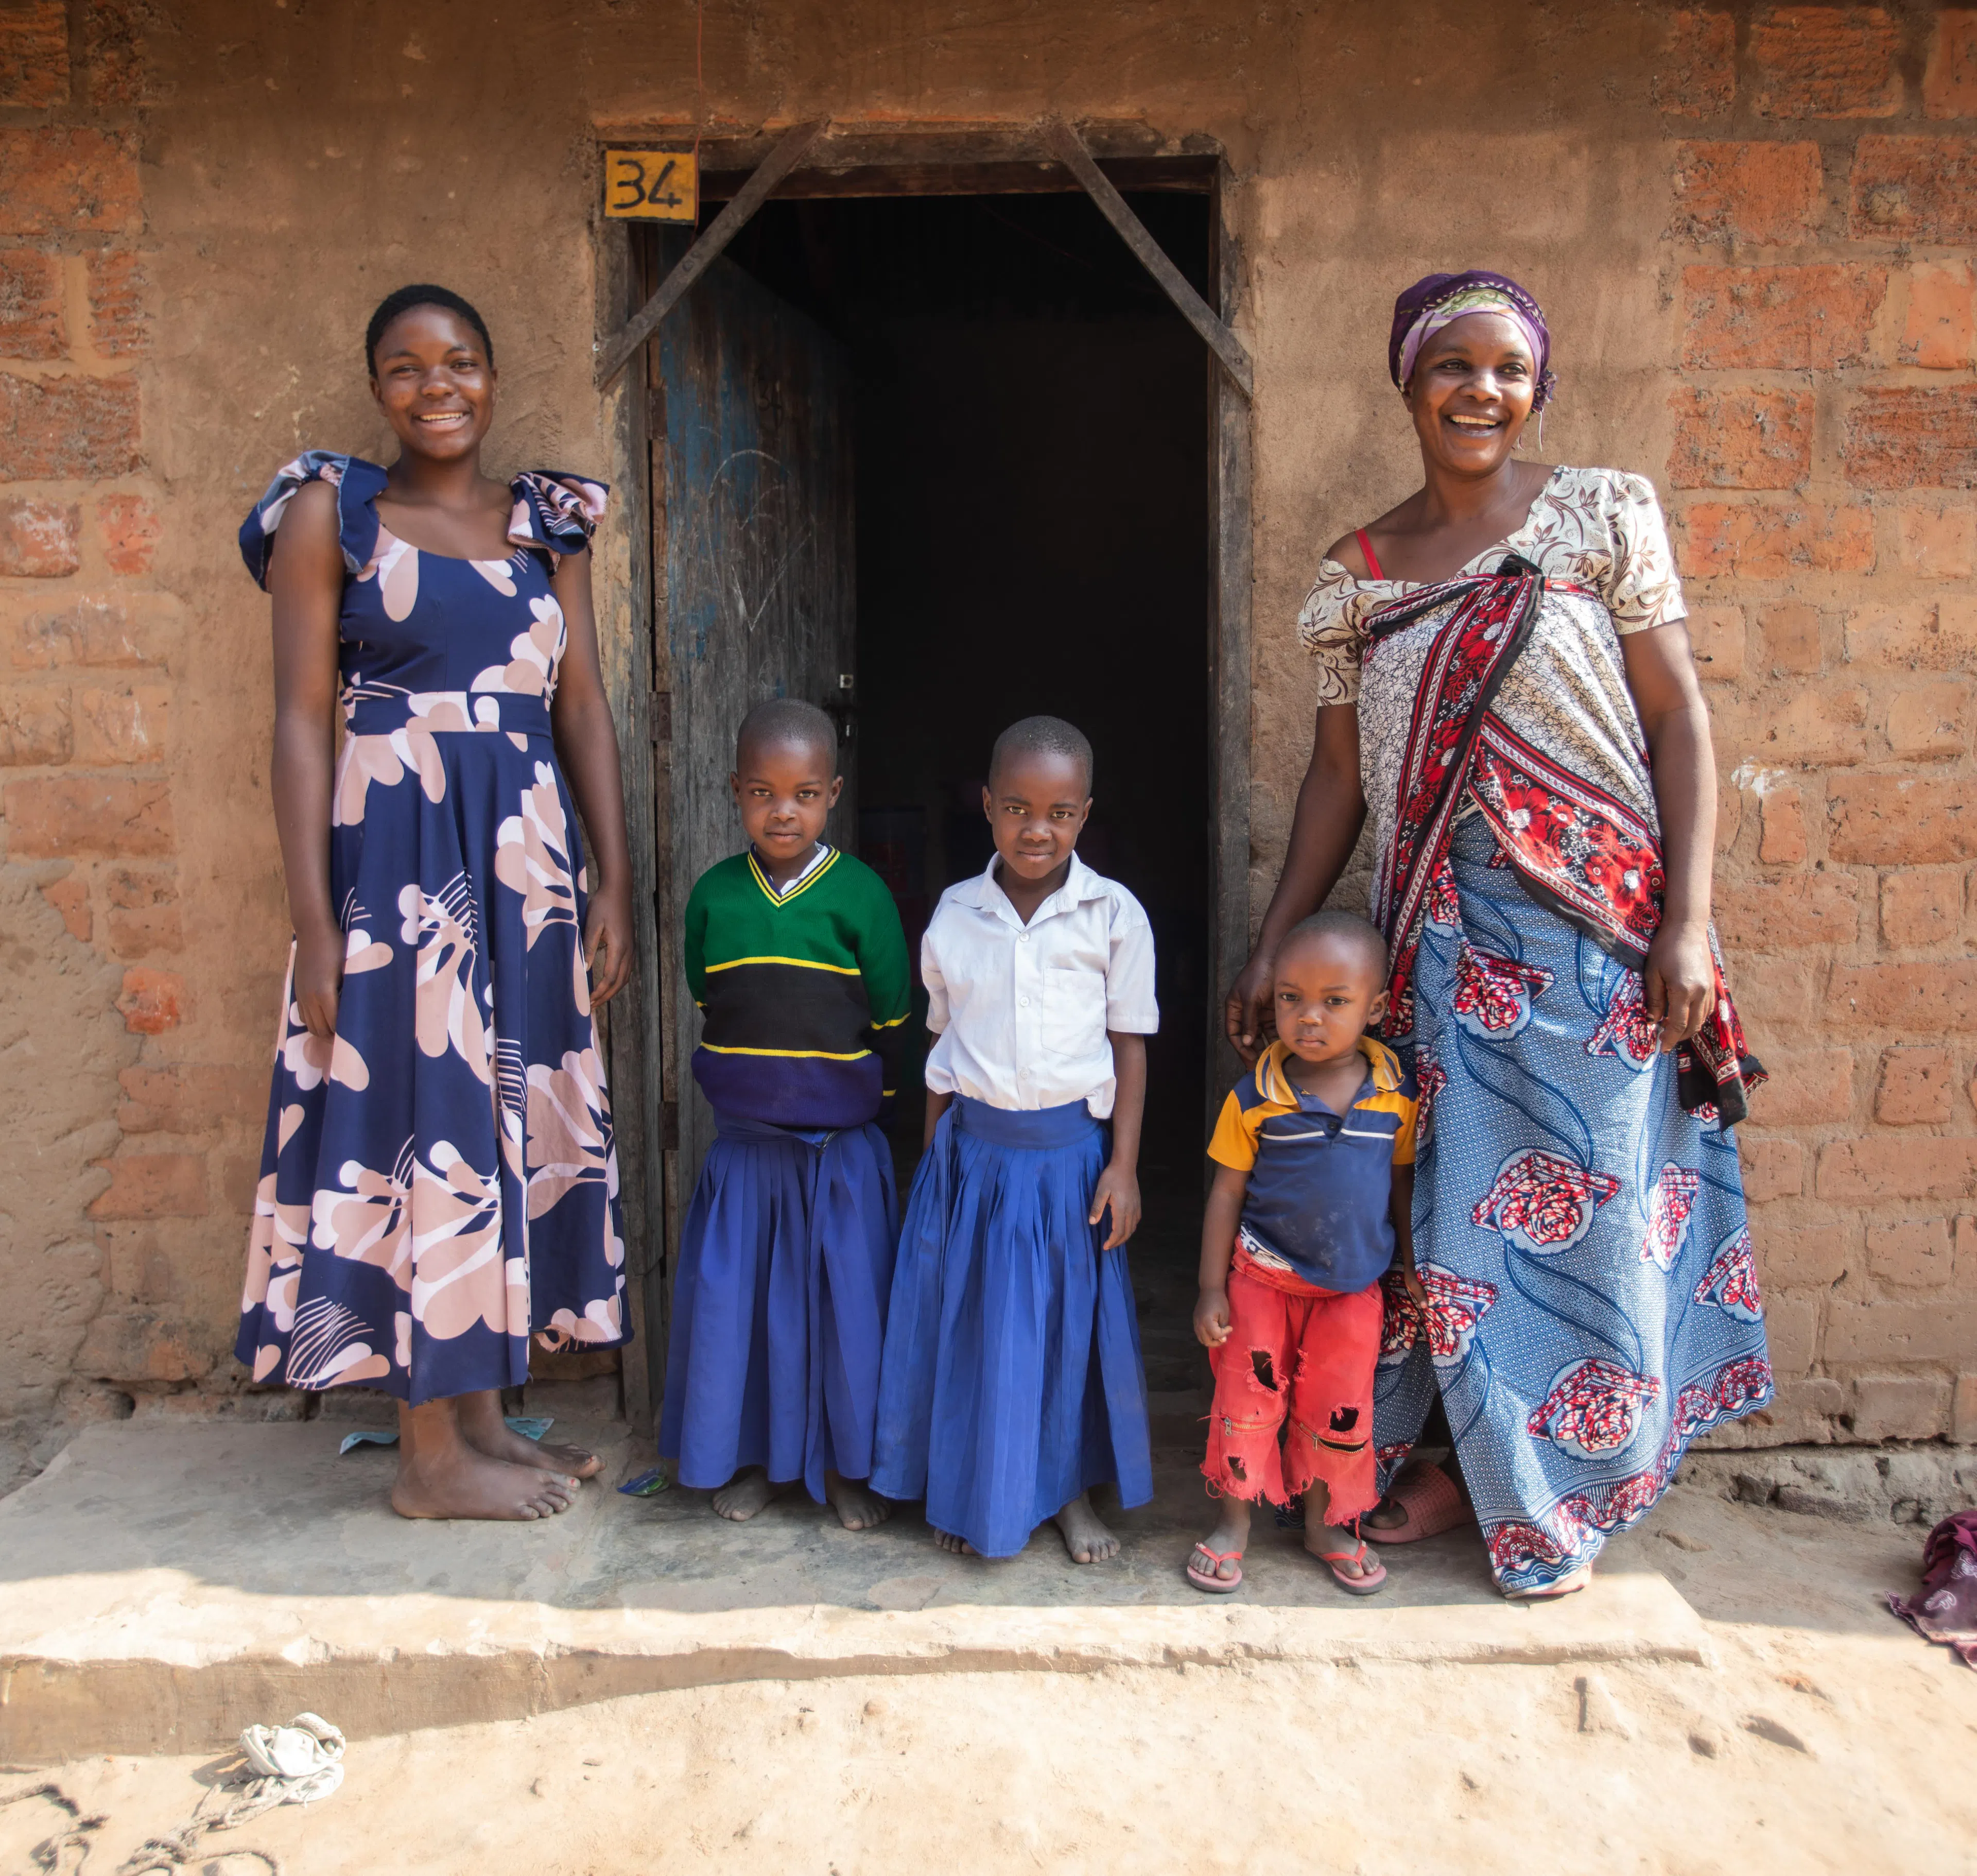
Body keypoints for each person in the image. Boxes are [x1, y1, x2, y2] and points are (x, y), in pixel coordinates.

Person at [1224, 270, 1773, 1598]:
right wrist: (1275, 934)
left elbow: (1678, 720)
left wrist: (1687, 925)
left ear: (1539, 388)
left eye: (1510, 370)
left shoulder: (1599, 516)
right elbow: (1337, 781)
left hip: (1601, 947)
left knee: (1590, 1222)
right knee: (1455, 1240)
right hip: (1445, 950)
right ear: (1407, 383)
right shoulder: (1356, 576)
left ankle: (1573, 1489)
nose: (1484, 391)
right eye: (1454, 367)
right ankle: (1477, 1486)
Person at [236, 284, 635, 1521]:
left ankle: (472, 1415)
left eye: (460, 362)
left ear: (494, 378)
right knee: (421, 1123)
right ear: (376, 390)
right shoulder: (334, 515)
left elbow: (579, 707)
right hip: (396, 878)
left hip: (526, 874)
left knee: (497, 1126)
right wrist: (315, 924)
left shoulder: (544, 527)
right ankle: (425, 1463)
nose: (437, 387)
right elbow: (302, 722)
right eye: (406, 369)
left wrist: (612, 877)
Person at [870, 716, 1157, 1563]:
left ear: (1086, 814)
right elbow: (941, 1052)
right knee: (974, 1329)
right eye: (1020, 808)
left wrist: (1125, 1167)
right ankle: (968, 1487)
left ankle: (1065, 1495)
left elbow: (1130, 1047)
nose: (1039, 829)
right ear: (988, 806)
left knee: (1062, 1337)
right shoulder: (956, 915)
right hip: (974, 1160)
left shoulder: (1111, 914)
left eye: (1061, 813)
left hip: (1069, 1163)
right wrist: (932, 1166)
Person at [658, 699, 911, 1530]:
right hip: (748, 1158)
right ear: (735, 792)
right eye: (763, 792)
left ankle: (846, 1469)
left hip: (841, 1156)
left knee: (847, 1322)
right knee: (749, 1318)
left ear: (832, 794)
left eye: (803, 793)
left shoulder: (863, 896)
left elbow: (894, 1018)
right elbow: (710, 996)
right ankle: (758, 1463)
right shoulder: (715, 898)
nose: (783, 810)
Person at [1188, 911, 1419, 1598]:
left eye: (1334, 1001)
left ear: (1376, 1008)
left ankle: (1326, 1523)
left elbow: (1399, 1182)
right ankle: (1234, 1521)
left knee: (1338, 1406)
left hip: (1352, 1289)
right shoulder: (1255, 1097)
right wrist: (1210, 1287)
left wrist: (1408, 1259)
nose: (1308, 1017)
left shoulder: (1395, 1094)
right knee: (1247, 1399)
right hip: (1261, 1279)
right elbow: (1225, 1194)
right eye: (1291, 998)